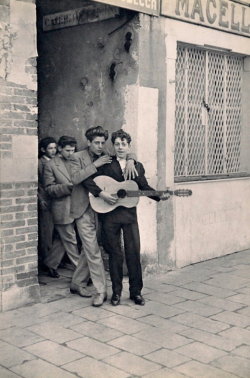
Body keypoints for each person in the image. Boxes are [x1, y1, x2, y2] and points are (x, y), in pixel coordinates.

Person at [82, 129, 170, 306]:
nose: (120, 147)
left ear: (129, 146)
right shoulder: (106, 163)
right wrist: (101, 194)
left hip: (129, 215)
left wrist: (159, 195)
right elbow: (88, 180)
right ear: (113, 146)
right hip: (109, 215)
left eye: (124, 144)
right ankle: (116, 293)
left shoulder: (137, 166)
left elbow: (143, 186)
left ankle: (136, 292)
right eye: (117, 144)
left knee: (133, 253)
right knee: (115, 254)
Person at [43, 135, 107, 307]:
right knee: (85, 247)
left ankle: (76, 282)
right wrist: (69, 187)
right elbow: (71, 180)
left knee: (88, 248)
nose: (100, 146)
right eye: (96, 142)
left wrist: (130, 159)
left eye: (102, 143)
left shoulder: (102, 154)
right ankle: (100, 289)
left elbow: (121, 154)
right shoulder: (71, 160)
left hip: (97, 209)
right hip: (73, 208)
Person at [38, 137, 63, 278]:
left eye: (55, 148)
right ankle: (48, 266)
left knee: (60, 233)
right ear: (43, 150)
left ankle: (54, 261)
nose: (53, 151)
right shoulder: (39, 163)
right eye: (50, 148)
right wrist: (40, 198)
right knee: (47, 233)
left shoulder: (57, 161)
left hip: (57, 201)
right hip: (46, 201)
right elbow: (35, 183)